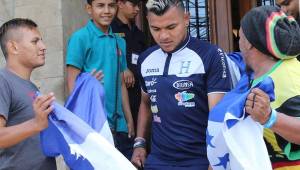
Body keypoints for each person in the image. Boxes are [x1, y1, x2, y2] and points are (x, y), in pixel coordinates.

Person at [131, 0, 232, 169]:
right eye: (156, 29)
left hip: (199, 160)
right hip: (158, 161)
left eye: (171, 27)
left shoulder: (211, 55)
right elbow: (146, 103)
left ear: (186, 19)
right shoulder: (145, 59)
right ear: (148, 21)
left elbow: (219, 116)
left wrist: (215, 161)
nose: (163, 36)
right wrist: (140, 144)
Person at [65, 0, 135, 159]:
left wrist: (129, 119)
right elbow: (71, 84)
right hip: (94, 123)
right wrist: (87, 83)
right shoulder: (80, 38)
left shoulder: (120, 41)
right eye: (100, 5)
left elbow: (121, 82)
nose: (107, 10)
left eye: (111, 5)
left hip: (120, 125)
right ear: (89, 9)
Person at [239, 6, 300, 169]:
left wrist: (270, 117)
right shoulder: (259, 74)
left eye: (240, 34)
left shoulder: (287, 77)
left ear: (249, 43)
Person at [0, 18, 57, 170]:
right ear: (13, 47)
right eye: (35, 41)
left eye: (42, 41)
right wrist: (35, 124)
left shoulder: (31, 87)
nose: (43, 47)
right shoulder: (2, 80)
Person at [111, 0, 147, 132]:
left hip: (139, 88)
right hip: (119, 89)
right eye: (134, 5)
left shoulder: (139, 33)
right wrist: (123, 69)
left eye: (139, 5)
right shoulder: (110, 29)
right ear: (120, 4)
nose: (137, 9)